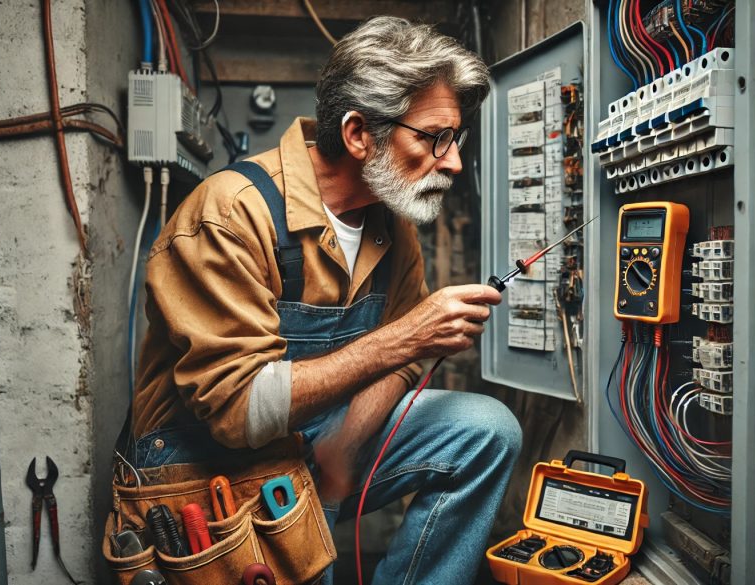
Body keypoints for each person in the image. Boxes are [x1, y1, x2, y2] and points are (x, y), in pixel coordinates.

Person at [128, 16, 522, 585]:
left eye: (454, 139)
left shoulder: (392, 227)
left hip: (315, 441)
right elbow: (239, 413)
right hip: (209, 464)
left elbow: (404, 360)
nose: (454, 161)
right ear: (360, 133)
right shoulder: (231, 214)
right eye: (435, 138)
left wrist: (347, 443)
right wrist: (408, 334)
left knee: (485, 431)